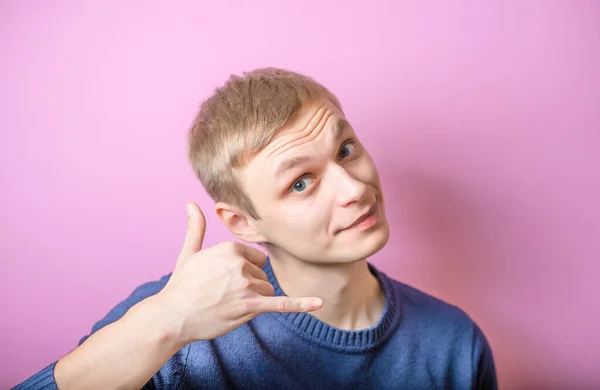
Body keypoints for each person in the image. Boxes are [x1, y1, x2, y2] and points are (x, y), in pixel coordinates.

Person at [14, 68, 497, 390]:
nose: (353, 188)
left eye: (346, 149)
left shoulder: (453, 343)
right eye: (302, 182)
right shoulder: (174, 328)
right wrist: (166, 323)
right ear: (243, 222)